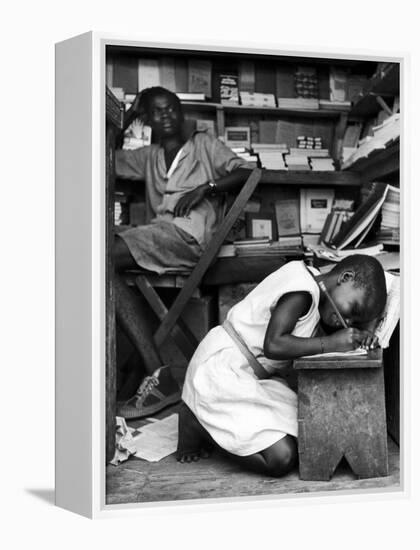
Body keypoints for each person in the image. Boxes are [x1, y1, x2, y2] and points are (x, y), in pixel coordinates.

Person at [177, 255, 387, 477]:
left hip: (250, 378)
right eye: (352, 309)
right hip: (220, 372)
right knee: (281, 459)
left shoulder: (317, 294)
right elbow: (274, 345)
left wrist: (361, 337)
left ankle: (211, 421)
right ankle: (198, 424)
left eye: (355, 322)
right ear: (345, 277)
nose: (347, 321)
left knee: (312, 434)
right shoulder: (302, 291)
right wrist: (332, 343)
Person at [113, 86, 252, 419]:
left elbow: (247, 172)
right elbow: (107, 158)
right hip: (158, 238)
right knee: (98, 257)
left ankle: (157, 372)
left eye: (172, 108)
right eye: (157, 112)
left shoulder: (204, 145)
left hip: (187, 239)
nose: (168, 116)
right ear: (147, 120)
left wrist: (208, 187)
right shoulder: (148, 156)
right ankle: (154, 371)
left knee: (98, 257)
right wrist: (126, 119)